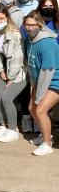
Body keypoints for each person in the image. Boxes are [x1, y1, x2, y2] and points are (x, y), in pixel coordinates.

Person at [0, 5, 26, 143]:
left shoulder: (14, 34)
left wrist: (10, 78)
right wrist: (1, 71)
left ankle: (13, 129)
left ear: (7, 18)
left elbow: (17, 58)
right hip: (4, 71)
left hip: (19, 73)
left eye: (1, 18)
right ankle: (3, 125)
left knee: (7, 98)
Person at [24, 11, 59, 156]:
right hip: (39, 80)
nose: (30, 28)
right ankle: (46, 134)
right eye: (27, 24)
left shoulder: (47, 43)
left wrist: (39, 94)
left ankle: (47, 144)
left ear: (40, 25)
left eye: (33, 25)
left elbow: (48, 71)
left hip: (55, 81)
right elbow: (32, 67)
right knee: (32, 108)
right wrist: (34, 86)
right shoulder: (30, 40)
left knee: (40, 110)